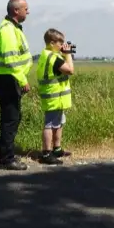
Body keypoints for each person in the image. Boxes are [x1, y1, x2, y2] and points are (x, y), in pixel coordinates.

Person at [0, 0, 33, 170]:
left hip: (10, 77)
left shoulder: (13, 28)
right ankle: (6, 158)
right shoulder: (8, 30)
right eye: (25, 8)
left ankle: (4, 151)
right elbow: (11, 59)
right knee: (11, 118)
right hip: (9, 77)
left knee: (13, 117)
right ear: (16, 10)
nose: (28, 12)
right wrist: (22, 80)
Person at [35, 28, 74, 165]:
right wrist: (68, 54)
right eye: (60, 42)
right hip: (53, 96)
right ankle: (46, 153)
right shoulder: (53, 57)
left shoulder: (47, 55)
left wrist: (63, 54)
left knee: (58, 123)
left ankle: (56, 149)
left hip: (57, 97)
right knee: (50, 124)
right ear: (52, 43)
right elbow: (70, 70)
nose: (62, 45)